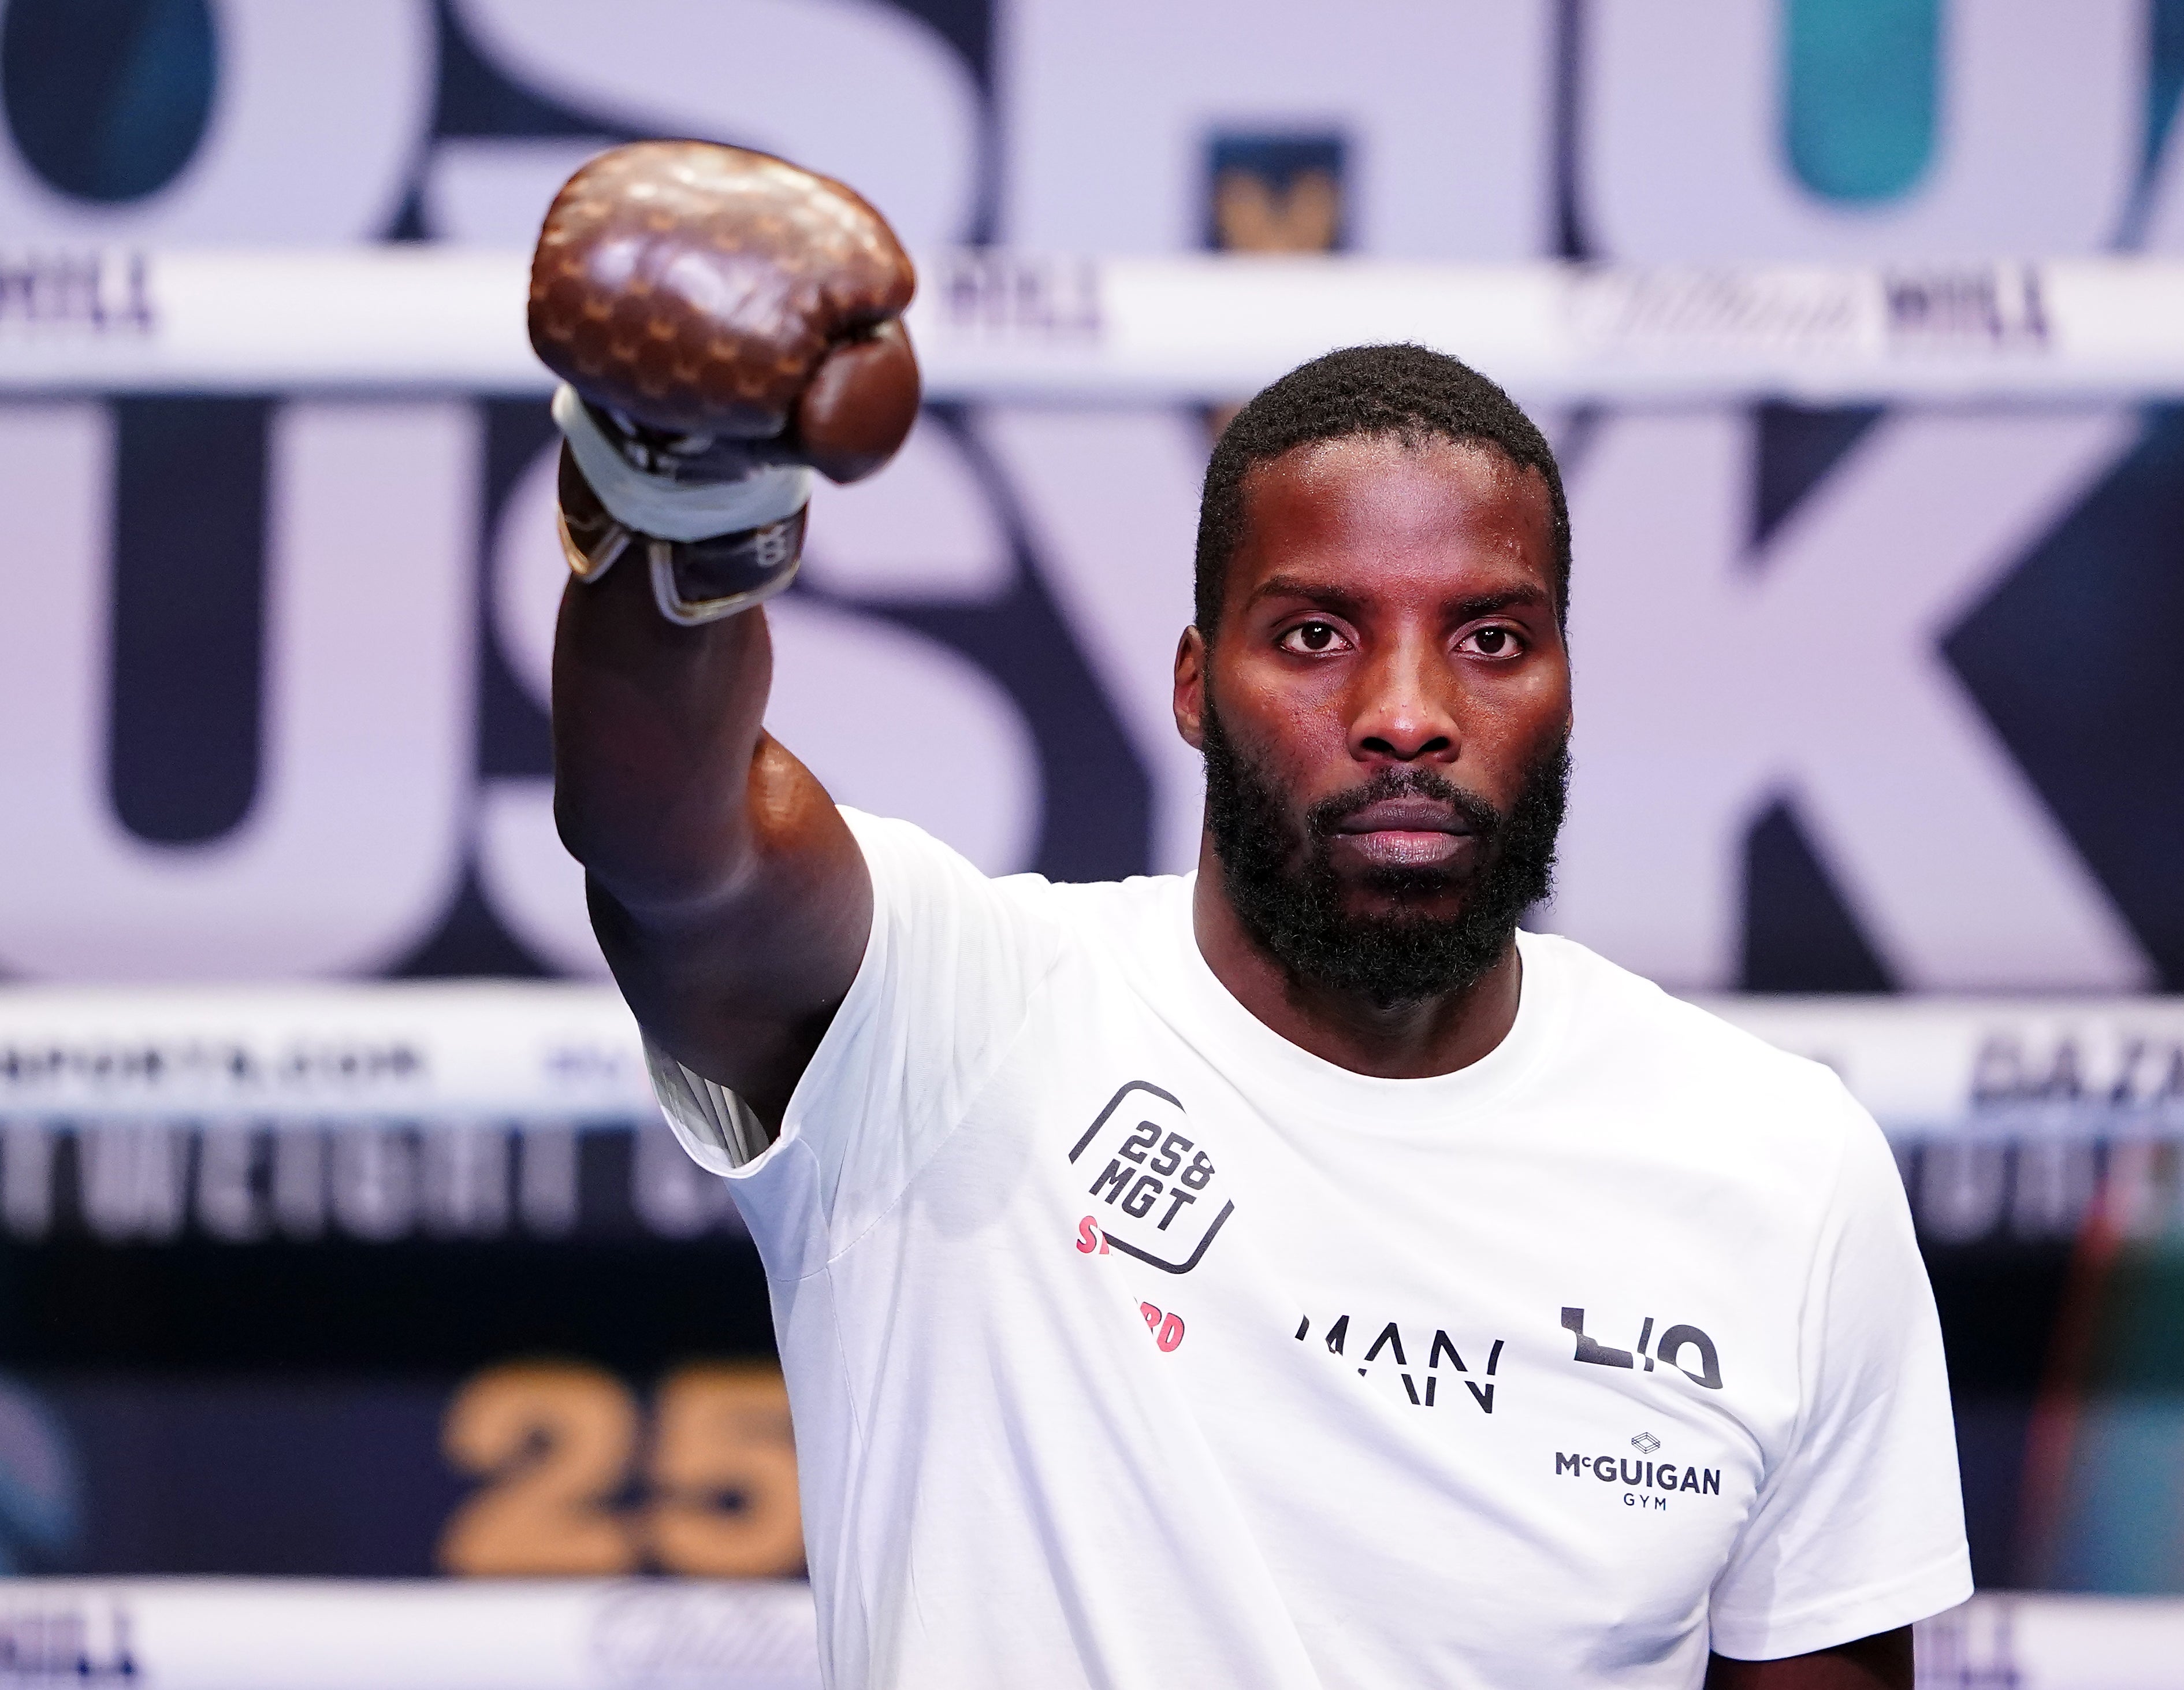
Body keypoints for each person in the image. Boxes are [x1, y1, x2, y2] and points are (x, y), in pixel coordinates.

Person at [536, 140, 1969, 1689]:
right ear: (1191, 687)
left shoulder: (1775, 1165)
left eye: (1490, 637)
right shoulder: (951, 1016)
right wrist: (679, 492)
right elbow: (671, 837)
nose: (1407, 712)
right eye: (1313, 634)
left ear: (1565, 688)